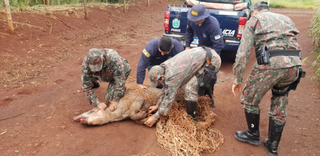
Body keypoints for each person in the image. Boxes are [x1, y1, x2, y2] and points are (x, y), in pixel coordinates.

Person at [231, 1, 304, 156]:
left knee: (249, 98)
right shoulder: (285, 18)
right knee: (280, 100)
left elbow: (242, 54)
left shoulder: (255, 20)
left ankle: (252, 134)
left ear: (255, 11)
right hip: (294, 65)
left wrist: (237, 80)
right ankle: (273, 146)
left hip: (271, 64)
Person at [144, 46, 221, 127]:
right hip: (204, 55)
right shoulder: (164, 67)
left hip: (211, 61)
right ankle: (208, 100)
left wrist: (155, 117)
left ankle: (193, 119)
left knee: (190, 88)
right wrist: (157, 105)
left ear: (162, 77)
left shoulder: (172, 76)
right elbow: (165, 88)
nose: (159, 83)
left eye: (158, 81)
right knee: (193, 83)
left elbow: (169, 99)